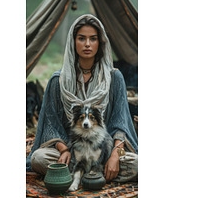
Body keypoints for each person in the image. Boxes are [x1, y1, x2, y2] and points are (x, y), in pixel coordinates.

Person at [26, 14, 138, 182]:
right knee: (39, 158)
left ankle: (81, 173)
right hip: (72, 151)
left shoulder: (114, 78)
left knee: (137, 163)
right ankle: (94, 174)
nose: (87, 44)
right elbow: (51, 124)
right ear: (73, 42)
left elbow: (120, 122)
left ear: (100, 43)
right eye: (81, 38)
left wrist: (115, 154)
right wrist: (64, 150)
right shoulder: (59, 81)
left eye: (93, 39)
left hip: (105, 150)